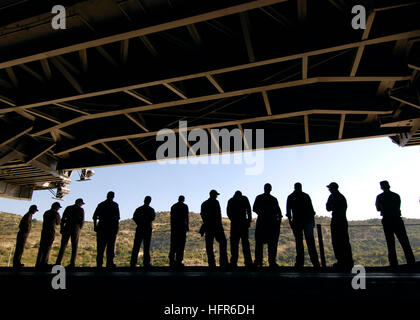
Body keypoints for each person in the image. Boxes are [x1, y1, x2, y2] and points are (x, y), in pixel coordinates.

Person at [375, 180, 415, 267]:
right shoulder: (396, 195)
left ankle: (393, 264)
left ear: (381, 187)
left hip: (387, 220)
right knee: (405, 242)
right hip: (397, 219)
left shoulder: (380, 197)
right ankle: (411, 262)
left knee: (390, 243)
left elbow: (378, 208)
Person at [286, 183, 320, 269]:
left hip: (297, 222)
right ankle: (315, 263)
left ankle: (300, 263)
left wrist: (291, 222)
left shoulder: (291, 197)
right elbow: (311, 210)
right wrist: (312, 222)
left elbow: (288, 212)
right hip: (307, 222)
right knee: (310, 242)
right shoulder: (305, 196)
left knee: (299, 243)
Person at [253, 183, 282, 268]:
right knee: (271, 244)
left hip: (262, 223)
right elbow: (278, 212)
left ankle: (258, 261)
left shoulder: (259, 197)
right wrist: (278, 223)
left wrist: (261, 213)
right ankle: (271, 262)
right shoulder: (273, 199)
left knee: (259, 243)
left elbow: (254, 208)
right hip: (271, 224)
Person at [326, 182, 353, 271]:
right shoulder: (341, 197)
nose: (329, 189)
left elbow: (328, 208)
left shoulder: (333, 197)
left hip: (336, 221)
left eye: (329, 188)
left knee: (337, 241)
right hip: (342, 220)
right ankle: (347, 261)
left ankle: (341, 261)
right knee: (344, 241)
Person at [200, 190, 228, 269]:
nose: (217, 196)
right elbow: (218, 215)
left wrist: (206, 223)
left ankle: (211, 264)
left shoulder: (204, 204)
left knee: (209, 245)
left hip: (208, 227)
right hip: (217, 227)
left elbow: (202, 215)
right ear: (214, 195)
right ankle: (223, 262)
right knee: (223, 242)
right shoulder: (216, 202)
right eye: (216, 195)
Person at [93, 191, 120, 268]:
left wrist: (95, 226)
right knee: (111, 247)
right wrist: (116, 228)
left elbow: (95, 216)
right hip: (111, 229)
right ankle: (109, 263)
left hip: (101, 228)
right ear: (113, 196)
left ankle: (99, 264)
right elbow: (117, 218)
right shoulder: (115, 205)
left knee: (100, 248)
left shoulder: (101, 205)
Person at [55, 198, 85, 267]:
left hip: (67, 227)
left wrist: (62, 228)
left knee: (63, 246)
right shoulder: (80, 210)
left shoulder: (68, 208)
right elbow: (82, 221)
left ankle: (58, 262)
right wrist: (79, 228)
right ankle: (72, 263)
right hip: (75, 228)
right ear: (80, 203)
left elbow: (63, 219)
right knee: (74, 246)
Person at [227, 191, 253, 268]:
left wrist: (233, 219)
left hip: (235, 224)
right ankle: (248, 262)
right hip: (243, 223)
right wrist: (248, 221)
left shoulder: (231, 200)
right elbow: (249, 209)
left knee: (234, 243)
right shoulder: (244, 199)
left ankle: (233, 262)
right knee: (245, 243)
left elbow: (228, 212)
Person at [131, 196, 156, 268]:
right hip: (147, 229)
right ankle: (146, 262)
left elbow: (134, 217)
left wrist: (139, 223)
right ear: (149, 201)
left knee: (136, 246)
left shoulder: (139, 209)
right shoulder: (151, 210)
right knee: (146, 246)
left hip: (139, 229)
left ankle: (133, 262)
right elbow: (152, 218)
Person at [35, 202, 62, 268]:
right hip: (50, 231)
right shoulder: (56, 213)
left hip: (44, 231)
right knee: (47, 247)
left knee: (42, 247)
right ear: (56, 207)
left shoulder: (46, 212)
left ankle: (38, 263)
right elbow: (58, 222)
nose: (59, 209)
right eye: (58, 207)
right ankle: (44, 263)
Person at [169, 195, 189, 268]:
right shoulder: (185, 206)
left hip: (174, 229)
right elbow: (187, 217)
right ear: (183, 200)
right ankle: (179, 261)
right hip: (182, 228)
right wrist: (187, 226)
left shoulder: (173, 206)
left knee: (173, 245)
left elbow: (171, 218)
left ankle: (171, 261)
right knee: (181, 245)